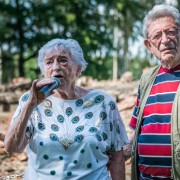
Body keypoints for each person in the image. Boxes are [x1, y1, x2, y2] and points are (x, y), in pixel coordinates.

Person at [4, 38, 129, 180]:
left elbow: (117, 157)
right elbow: (12, 148)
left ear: (78, 68)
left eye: (63, 60)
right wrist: (30, 105)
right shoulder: (30, 100)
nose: (56, 67)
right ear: (44, 70)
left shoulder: (103, 102)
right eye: (49, 62)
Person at [128, 4, 180, 180]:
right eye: (157, 36)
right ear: (149, 45)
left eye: (171, 32)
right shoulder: (147, 79)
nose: (165, 40)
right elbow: (137, 129)